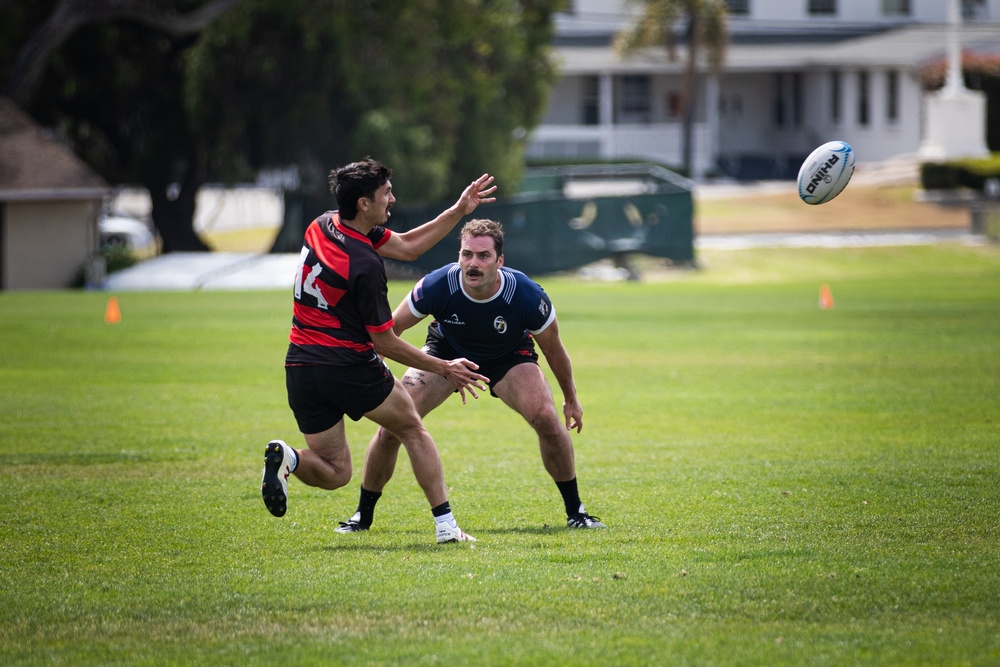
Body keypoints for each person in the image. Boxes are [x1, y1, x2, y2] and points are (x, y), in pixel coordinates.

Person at [261, 157, 497, 544]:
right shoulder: (365, 264)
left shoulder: (323, 224)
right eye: (385, 193)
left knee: (335, 471)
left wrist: (459, 209)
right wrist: (445, 368)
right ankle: (446, 527)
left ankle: (290, 458)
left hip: (300, 365)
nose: (393, 199)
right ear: (364, 204)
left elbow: (407, 247)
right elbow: (383, 341)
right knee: (411, 427)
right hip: (347, 364)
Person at [337, 218, 605, 533]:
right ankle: (362, 517)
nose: (472, 263)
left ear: (500, 261)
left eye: (483, 256)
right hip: (446, 354)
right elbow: (390, 329)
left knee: (546, 416)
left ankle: (576, 511)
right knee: (392, 428)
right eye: (467, 255)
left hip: (508, 357)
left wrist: (571, 399)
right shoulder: (439, 285)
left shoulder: (526, 295)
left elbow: (554, 350)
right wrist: (371, 375)